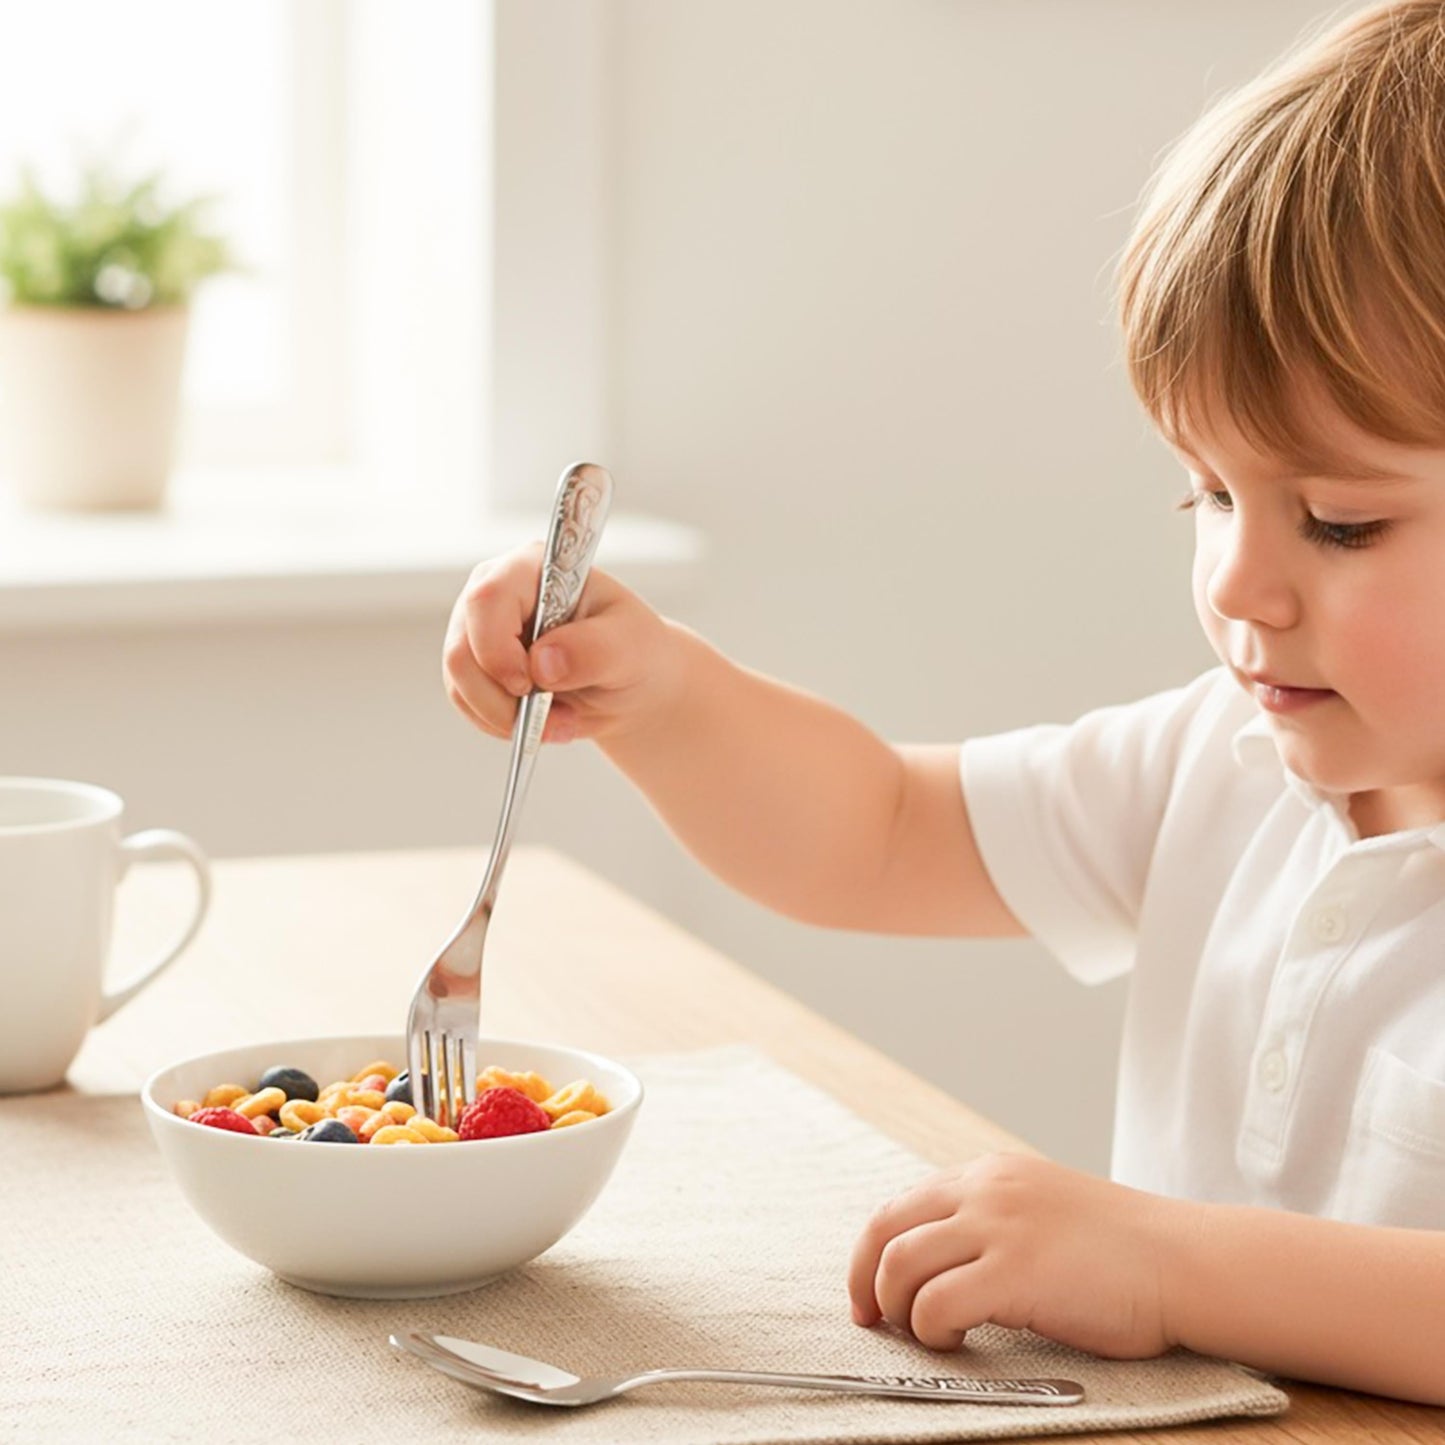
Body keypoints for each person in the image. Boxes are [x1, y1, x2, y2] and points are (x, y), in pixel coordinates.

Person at [442, 0, 1445, 1406]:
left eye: (1337, 522)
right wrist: (661, 692)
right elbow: (880, 829)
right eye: (1205, 493)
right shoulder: (1224, 756)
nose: (1237, 584)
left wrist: (1166, 1263)